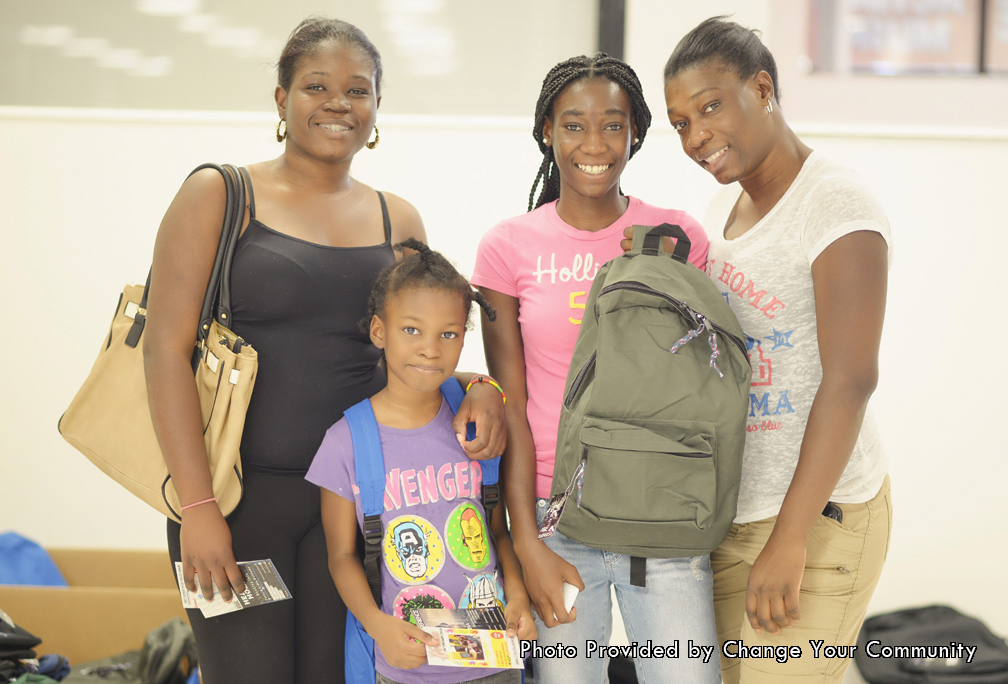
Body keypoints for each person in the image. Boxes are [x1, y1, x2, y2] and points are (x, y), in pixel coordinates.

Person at [143, 17, 505, 684]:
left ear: (375, 109)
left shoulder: (400, 222)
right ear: (282, 100)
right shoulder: (219, 196)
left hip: (356, 512)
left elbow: (419, 357)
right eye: (317, 86)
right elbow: (163, 352)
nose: (338, 103)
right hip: (234, 506)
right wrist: (196, 510)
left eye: (357, 90)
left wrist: (485, 388)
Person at [653, 17, 893, 684]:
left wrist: (791, 539)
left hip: (817, 520)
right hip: (736, 521)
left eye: (708, 107)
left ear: (762, 89)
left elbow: (850, 381)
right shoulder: (723, 214)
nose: (696, 136)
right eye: (679, 123)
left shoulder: (834, 205)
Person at [472, 54, 719, 684]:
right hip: (557, 518)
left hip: (659, 515)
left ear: (635, 132)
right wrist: (526, 542)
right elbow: (512, 403)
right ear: (547, 132)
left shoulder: (678, 237)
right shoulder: (508, 248)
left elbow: (697, 388)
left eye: (613, 125)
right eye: (574, 125)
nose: (594, 144)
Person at [307, 240, 535, 684]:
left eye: (447, 334)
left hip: (491, 659)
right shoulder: (346, 443)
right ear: (379, 331)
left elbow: (496, 531)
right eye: (412, 330)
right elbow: (341, 557)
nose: (431, 349)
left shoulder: (476, 424)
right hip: (406, 667)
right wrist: (378, 627)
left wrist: (519, 594)